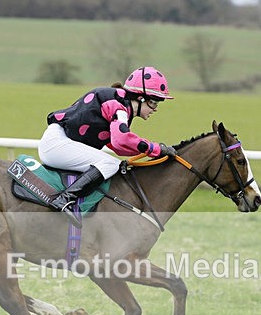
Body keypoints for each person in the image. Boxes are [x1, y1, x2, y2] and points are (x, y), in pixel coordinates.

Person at [38, 66, 177, 227]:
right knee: (110, 164)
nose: (155, 109)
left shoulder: (120, 103)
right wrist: (155, 149)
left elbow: (116, 146)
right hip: (57, 144)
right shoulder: (120, 108)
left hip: (59, 141)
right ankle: (64, 200)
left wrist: (152, 153)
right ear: (140, 98)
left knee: (112, 163)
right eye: (153, 103)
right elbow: (121, 140)